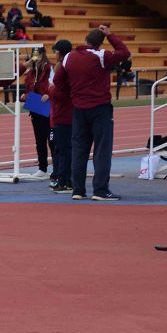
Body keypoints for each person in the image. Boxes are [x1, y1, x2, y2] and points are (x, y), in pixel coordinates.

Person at [62, 24, 131, 201]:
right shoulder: (101, 56)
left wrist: (73, 95)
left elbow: (58, 81)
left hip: (78, 109)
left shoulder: (69, 57)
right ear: (99, 43)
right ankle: (100, 190)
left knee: (79, 149)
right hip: (100, 108)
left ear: (85, 39)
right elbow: (124, 53)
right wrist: (110, 35)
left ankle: (77, 189)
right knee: (102, 149)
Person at [22, 46, 53, 179]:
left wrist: (49, 94)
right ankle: (42, 168)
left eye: (38, 55)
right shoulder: (31, 70)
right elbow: (29, 86)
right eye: (35, 55)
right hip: (36, 106)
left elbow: (54, 83)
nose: (36, 58)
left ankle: (58, 168)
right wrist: (25, 95)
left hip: (47, 106)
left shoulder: (48, 68)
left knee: (52, 140)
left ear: (43, 55)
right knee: (39, 140)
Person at [48, 40, 74, 193]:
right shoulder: (69, 64)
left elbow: (60, 92)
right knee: (65, 149)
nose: (55, 54)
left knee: (63, 150)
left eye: (56, 51)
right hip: (66, 114)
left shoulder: (64, 67)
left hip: (63, 115)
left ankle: (65, 181)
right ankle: (67, 180)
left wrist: (51, 90)